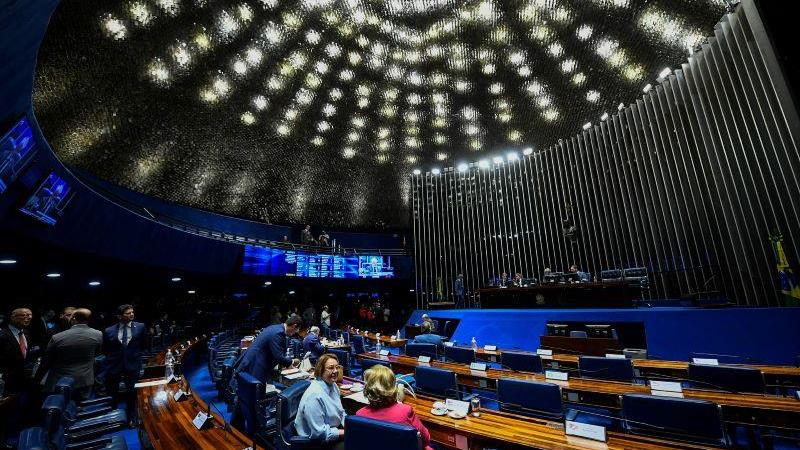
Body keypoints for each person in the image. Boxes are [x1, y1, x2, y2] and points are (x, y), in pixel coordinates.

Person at [356, 365, 433, 450]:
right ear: (393, 387)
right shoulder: (405, 411)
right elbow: (426, 439)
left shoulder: (359, 414)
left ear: (367, 388)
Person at [40, 308, 102, 398]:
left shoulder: (57, 337)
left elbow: (48, 359)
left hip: (60, 380)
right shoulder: (98, 334)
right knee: (82, 407)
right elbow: (97, 353)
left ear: (73, 319)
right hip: (85, 379)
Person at [103, 304, 146, 426]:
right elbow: (105, 350)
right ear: (119, 316)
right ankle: (113, 418)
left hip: (133, 365)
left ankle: (132, 417)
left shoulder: (140, 327)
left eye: (132, 312)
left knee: (131, 392)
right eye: (128, 313)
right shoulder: (109, 330)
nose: (131, 314)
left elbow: (143, 345)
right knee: (113, 393)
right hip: (114, 365)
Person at [294, 354, 345, 449]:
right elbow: (319, 433)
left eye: (337, 367)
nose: (335, 371)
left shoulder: (333, 385)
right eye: (331, 368)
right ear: (320, 370)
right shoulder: (314, 395)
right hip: (317, 442)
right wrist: (347, 432)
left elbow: (341, 412)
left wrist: (350, 425)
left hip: (333, 430)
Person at [236, 316, 301, 384]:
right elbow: (278, 356)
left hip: (253, 362)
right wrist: (291, 362)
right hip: (255, 365)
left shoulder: (275, 327)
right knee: (254, 390)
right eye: (296, 330)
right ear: (294, 326)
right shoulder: (278, 333)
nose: (294, 333)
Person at [0, 308, 34, 394]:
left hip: (23, 380)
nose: (29, 317)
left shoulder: (26, 333)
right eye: (24, 315)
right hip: (5, 382)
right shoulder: (2, 335)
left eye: (30, 315)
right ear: (13, 317)